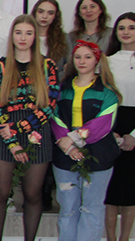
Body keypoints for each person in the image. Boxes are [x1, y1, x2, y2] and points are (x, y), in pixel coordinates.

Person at [0, 15, 59, 241]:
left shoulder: (48, 66)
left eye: (28, 33)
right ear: (12, 36)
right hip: (3, 131)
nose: (23, 38)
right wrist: (11, 140)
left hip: (38, 129)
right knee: (0, 191)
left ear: (35, 37)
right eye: (18, 33)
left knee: (33, 194)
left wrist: (18, 129)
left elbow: (50, 105)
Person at [51, 40, 120, 241]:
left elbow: (101, 125)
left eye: (88, 57)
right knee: (68, 209)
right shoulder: (62, 89)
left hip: (98, 156)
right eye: (78, 57)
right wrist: (66, 145)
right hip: (64, 156)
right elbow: (54, 117)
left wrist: (71, 141)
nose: (82, 61)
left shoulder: (107, 92)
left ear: (97, 61)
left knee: (92, 209)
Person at [105, 12, 135, 241]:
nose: (126, 32)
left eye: (132, 27)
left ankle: (125, 238)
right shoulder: (107, 61)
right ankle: (110, 238)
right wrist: (109, 131)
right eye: (121, 28)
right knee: (110, 188)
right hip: (112, 123)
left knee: (131, 188)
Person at [31, 0, 70, 72]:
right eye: (41, 12)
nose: (45, 16)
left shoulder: (63, 38)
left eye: (50, 13)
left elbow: (69, 66)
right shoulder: (26, 36)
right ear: (35, 13)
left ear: (55, 16)